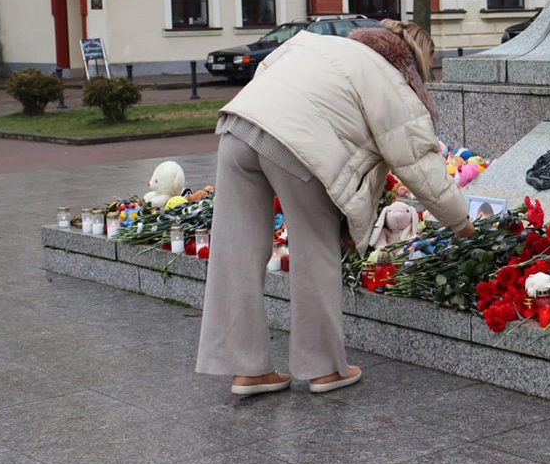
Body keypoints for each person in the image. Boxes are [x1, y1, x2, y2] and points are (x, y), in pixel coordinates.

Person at [196, 20, 474, 395]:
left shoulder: (317, 44)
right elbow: (421, 166)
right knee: (316, 249)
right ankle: (324, 368)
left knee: (236, 250)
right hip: (298, 145)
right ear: (414, 64)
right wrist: (463, 224)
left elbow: (266, 72)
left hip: (239, 125)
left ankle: (246, 369)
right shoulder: (393, 82)